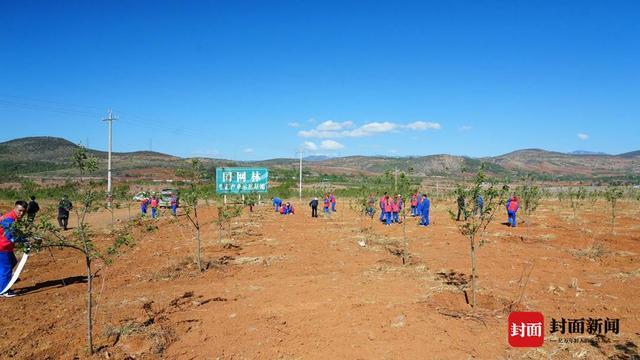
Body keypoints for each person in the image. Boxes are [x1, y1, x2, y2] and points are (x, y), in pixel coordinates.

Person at [0, 201, 28, 297]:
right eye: (20, 211)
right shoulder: (8, 220)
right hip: (3, 248)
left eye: (24, 212)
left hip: (6, 247)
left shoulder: (13, 218)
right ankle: (4, 291)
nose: (21, 213)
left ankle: (4, 280)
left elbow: (16, 232)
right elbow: (11, 236)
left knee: (12, 262)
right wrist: (25, 241)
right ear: (15, 208)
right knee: (6, 269)